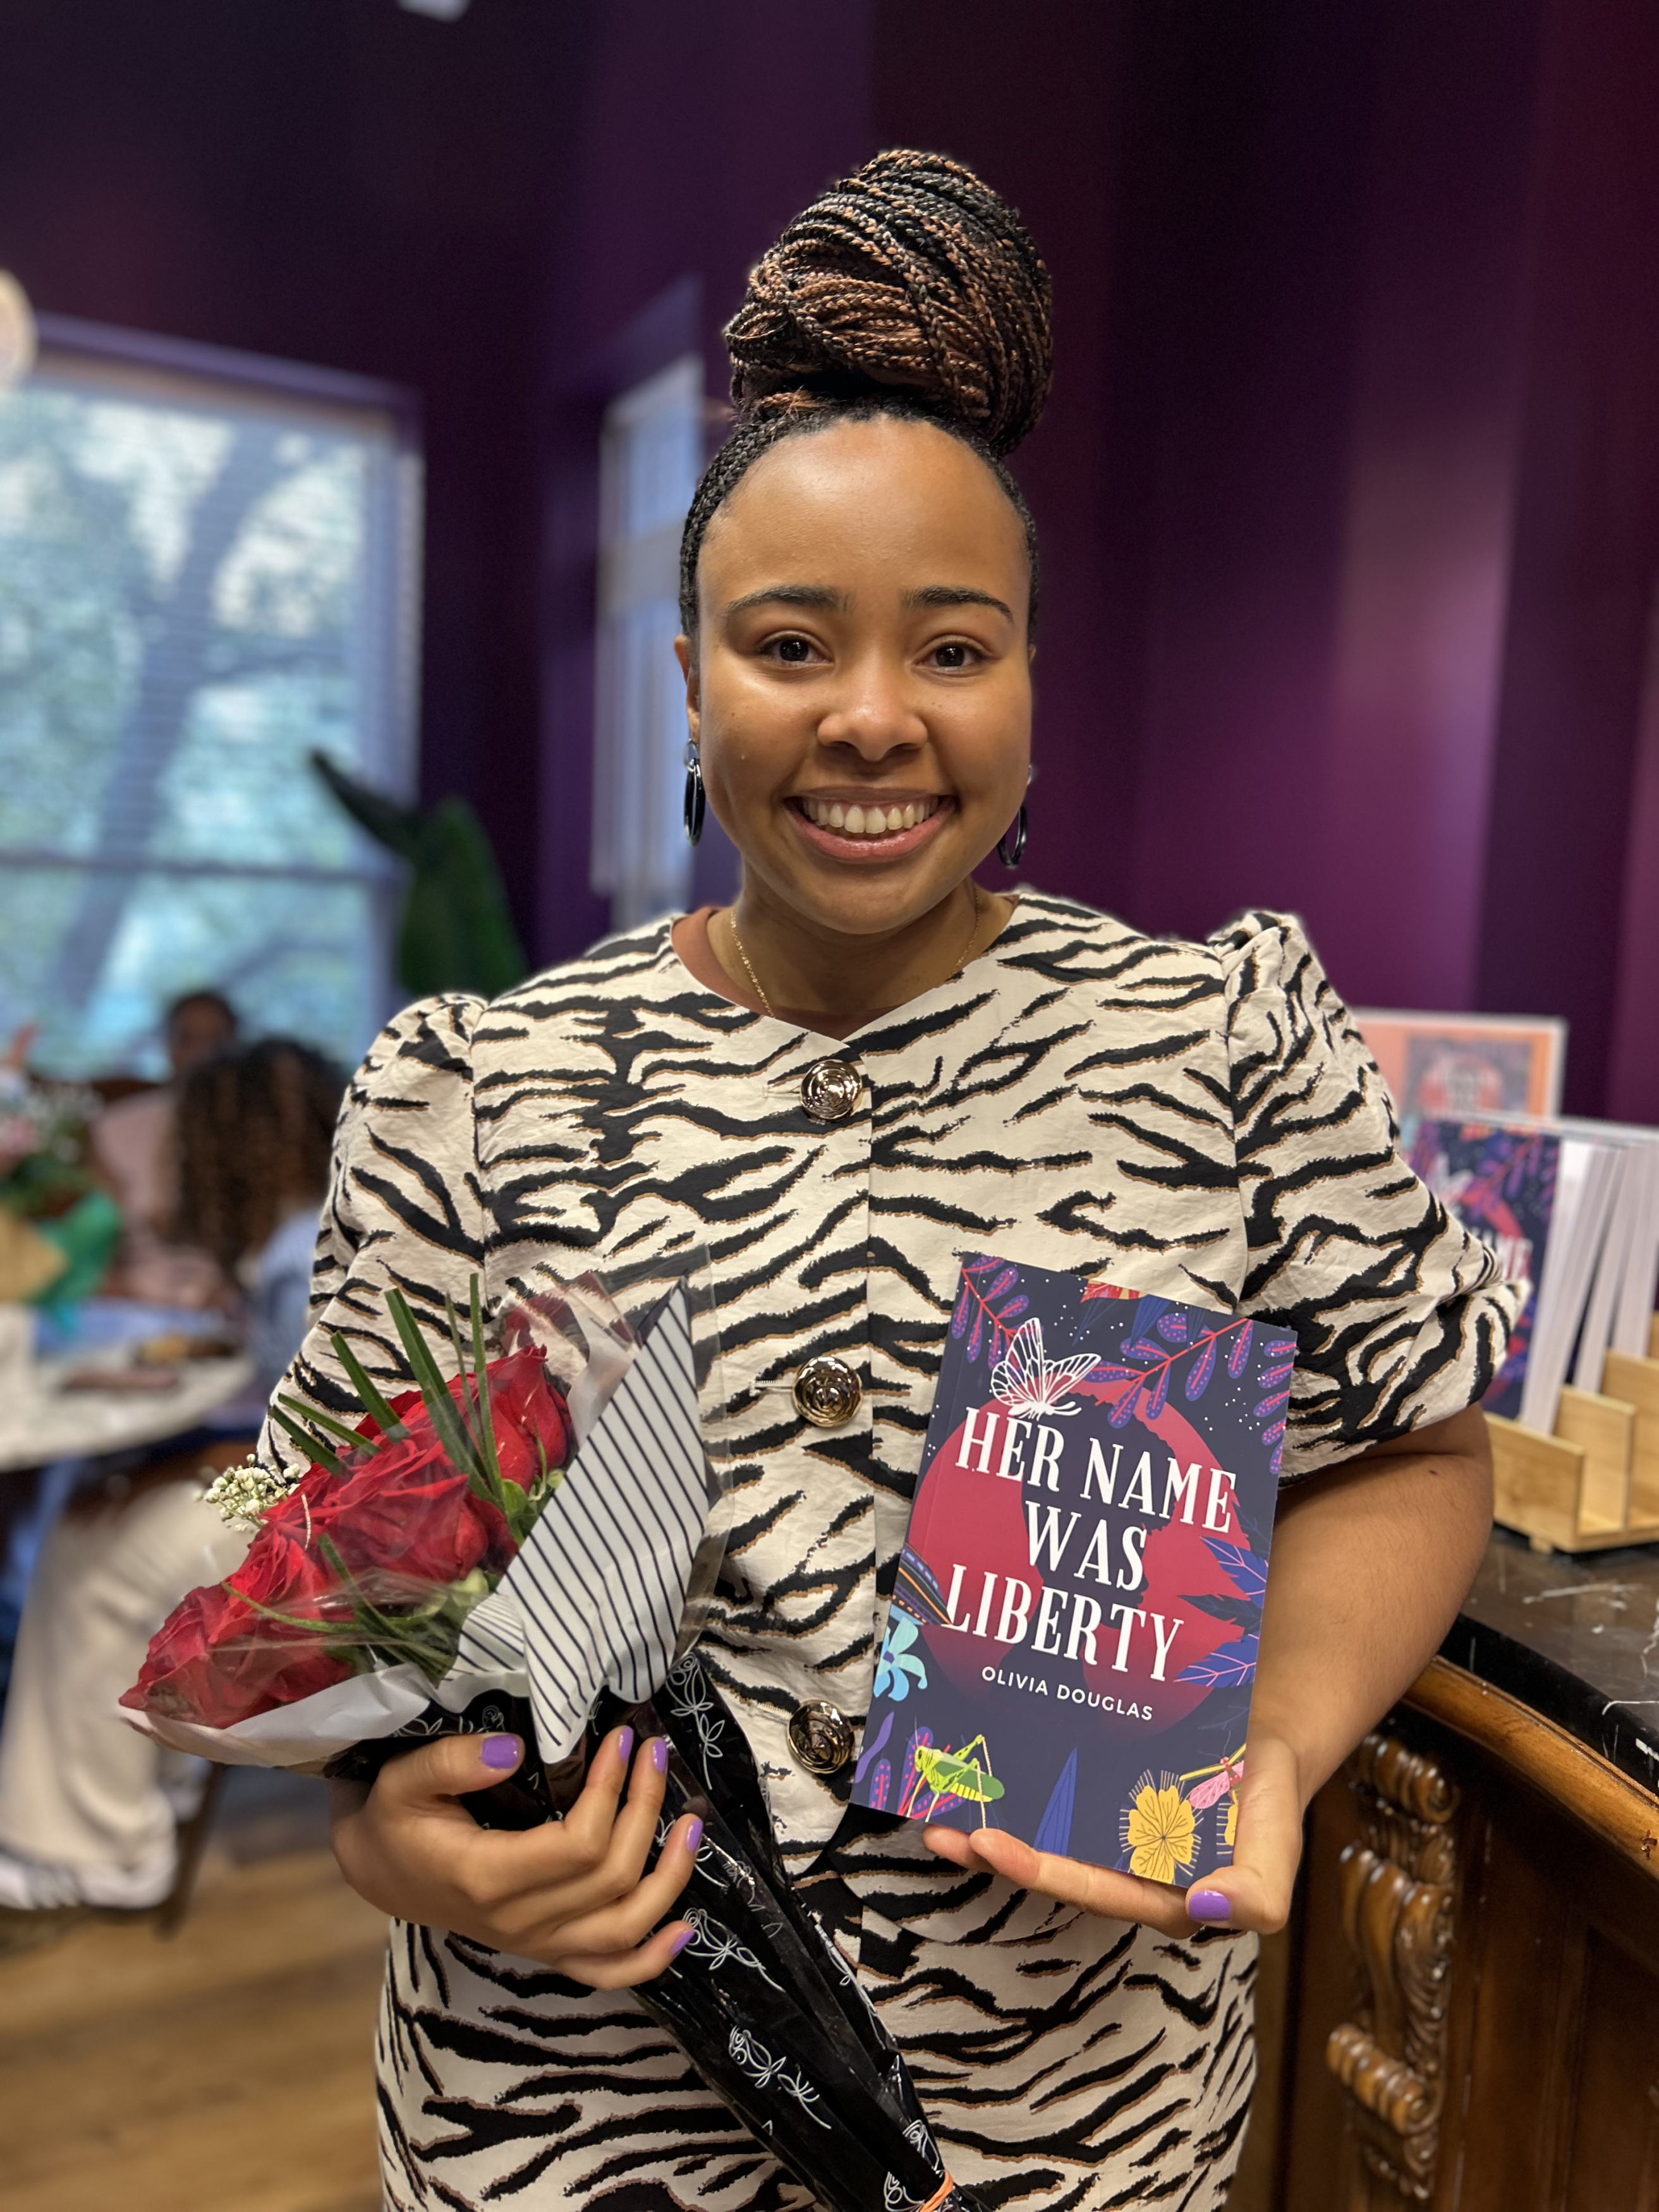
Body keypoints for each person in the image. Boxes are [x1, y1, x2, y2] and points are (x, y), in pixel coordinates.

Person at [267, 153, 1516, 2211]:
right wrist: (379, 1832)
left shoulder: (1221, 1041)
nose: (871, 718)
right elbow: (309, 1551)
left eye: (952, 648)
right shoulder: (470, 1087)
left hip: (1071, 2127)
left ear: (1028, 681)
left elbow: (1404, 1445)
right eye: (787, 644)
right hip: (572, 2123)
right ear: (688, 680)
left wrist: (1273, 1749)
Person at [0, 1037, 342, 1914]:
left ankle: (103, 1848)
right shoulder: (310, 1231)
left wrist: (172, 1471)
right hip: (312, 1497)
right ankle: (149, 1772)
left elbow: (308, 1453)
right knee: (106, 1502)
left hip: (317, 1521)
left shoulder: (298, 1254)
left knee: (102, 1546)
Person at [94, 987, 239, 1309]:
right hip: (132, 1296)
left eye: (218, 1040)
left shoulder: (261, 1131)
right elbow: (98, 1245)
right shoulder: (117, 1126)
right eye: (187, 1039)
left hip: (229, 1300)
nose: (204, 1053)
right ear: (167, 1046)